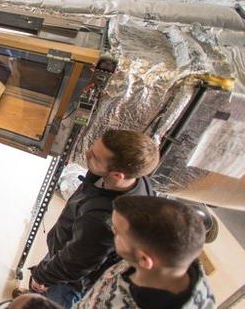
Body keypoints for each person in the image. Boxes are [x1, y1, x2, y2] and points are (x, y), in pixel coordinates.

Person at [27, 130, 160, 308]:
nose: (87, 153)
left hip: (67, 283)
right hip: (68, 248)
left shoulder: (102, 220)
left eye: (95, 157)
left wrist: (41, 276)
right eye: (93, 147)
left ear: (117, 175)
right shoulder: (137, 181)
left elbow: (73, 265)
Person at [76, 196, 215, 308]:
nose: (112, 230)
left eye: (118, 232)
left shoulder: (120, 304)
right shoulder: (181, 260)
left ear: (144, 260)